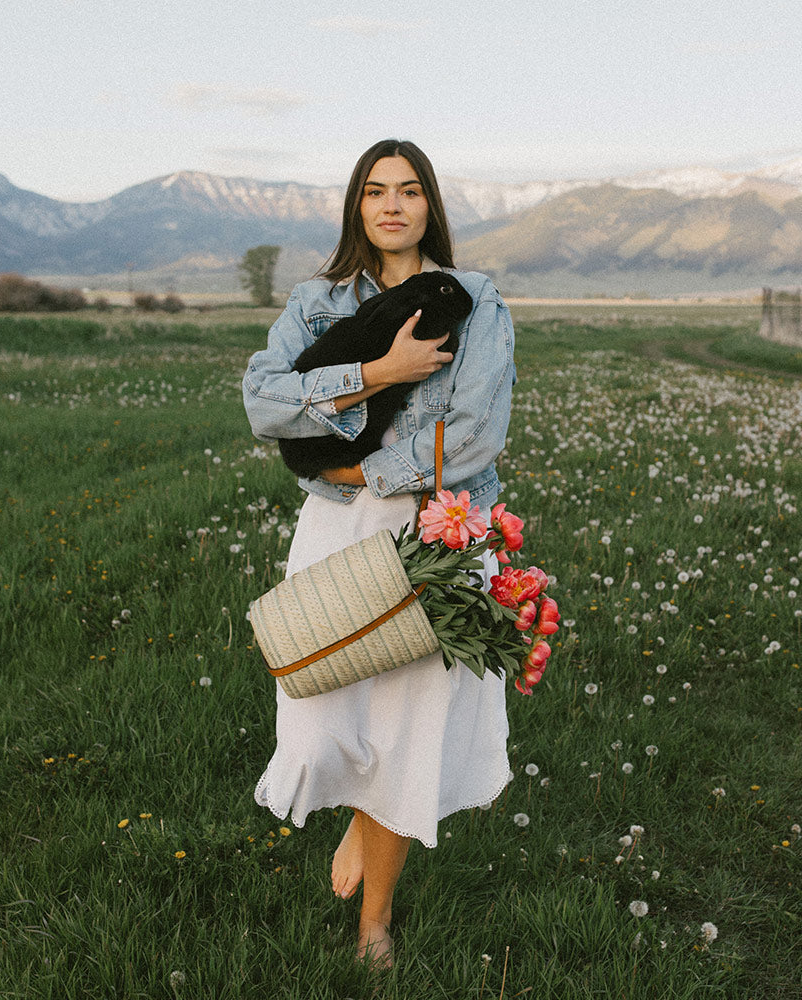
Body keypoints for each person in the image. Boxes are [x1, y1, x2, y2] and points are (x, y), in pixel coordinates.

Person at [242, 139, 516, 969]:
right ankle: (360, 822)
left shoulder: (473, 301)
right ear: (357, 207)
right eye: (374, 191)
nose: (391, 205)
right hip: (335, 530)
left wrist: (368, 469)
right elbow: (263, 402)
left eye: (408, 191)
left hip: (438, 526)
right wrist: (375, 370)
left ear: (430, 204)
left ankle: (376, 923)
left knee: (407, 727)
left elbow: (473, 431)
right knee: (320, 716)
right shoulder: (316, 303)